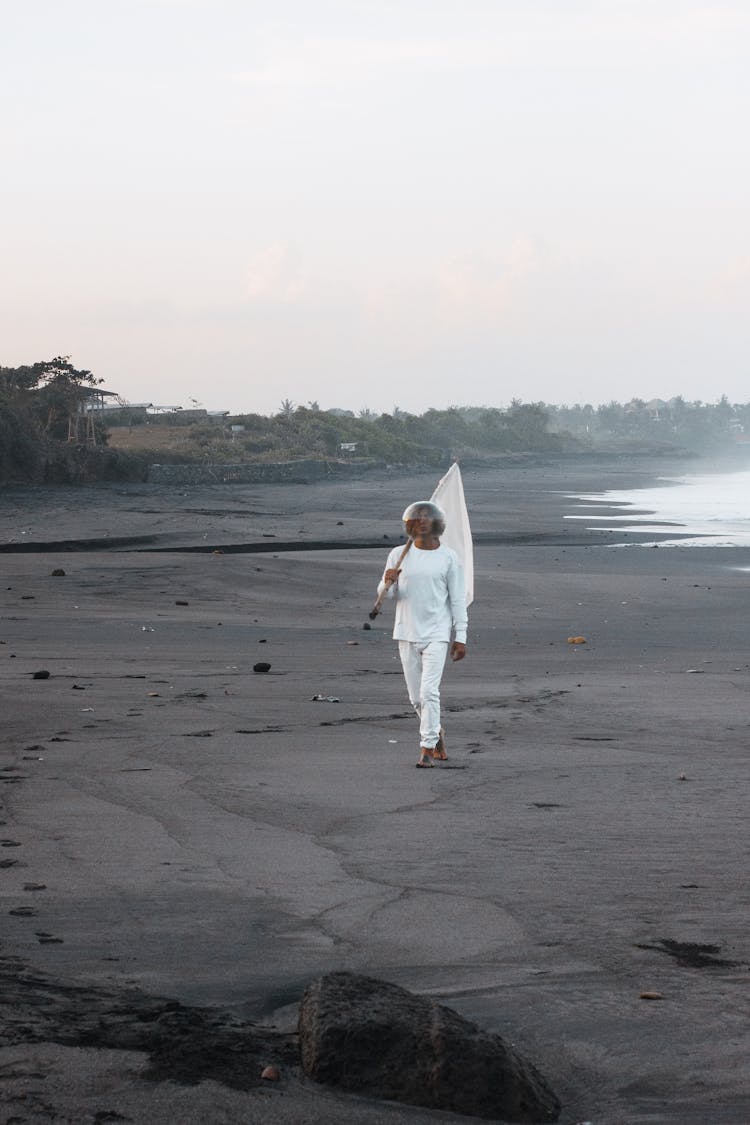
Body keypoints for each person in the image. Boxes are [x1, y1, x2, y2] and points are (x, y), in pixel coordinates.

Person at [377, 499, 468, 768]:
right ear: (411, 523)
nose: (423, 520)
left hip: (437, 633)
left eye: (428, 516)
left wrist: (460, 636)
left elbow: (457, 600)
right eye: (418, 516)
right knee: (416, 698)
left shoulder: (449, 557)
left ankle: (426, 747)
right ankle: (436, 732)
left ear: (437, 523)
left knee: (429, 692)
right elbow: (387, 596)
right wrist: (387, 581)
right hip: (406, 631)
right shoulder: (398, 554)